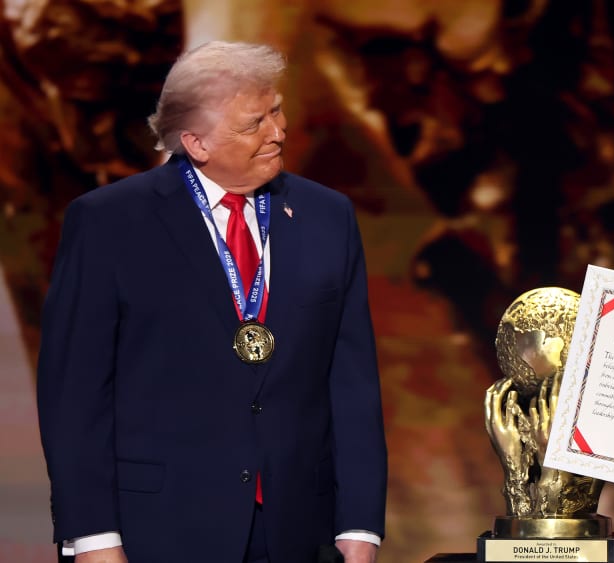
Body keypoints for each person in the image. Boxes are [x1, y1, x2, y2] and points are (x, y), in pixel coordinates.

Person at [36, 41, 387, 563]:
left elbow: (352, 380)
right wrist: (92, 539)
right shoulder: (109, 223)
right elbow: (75, 396)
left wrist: (360, 525)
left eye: (276, 111)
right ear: (195, 142)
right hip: (158, 530)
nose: (278, 131)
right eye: (254, 124)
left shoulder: (327, 217)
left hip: (297, 532)